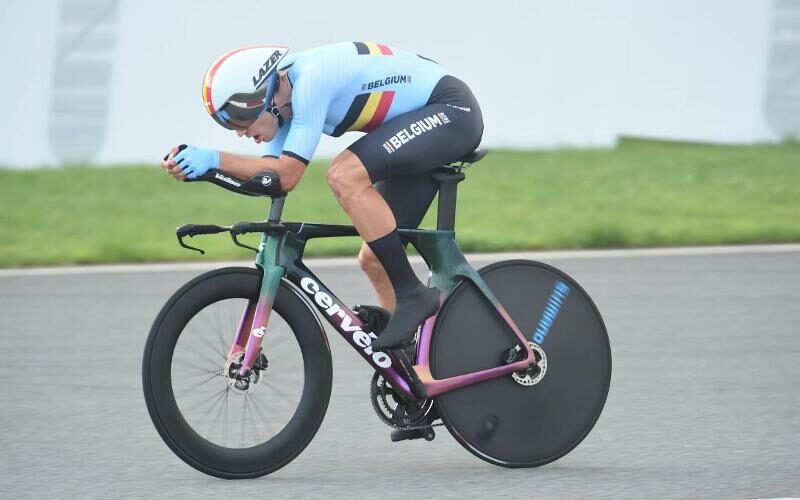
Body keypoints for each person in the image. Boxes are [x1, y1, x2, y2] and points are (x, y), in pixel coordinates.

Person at [161, 42, 483, 351]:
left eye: (238, 120)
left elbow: (287, 174)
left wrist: (215, 159)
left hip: (450, 110)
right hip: (421, 124)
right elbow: (272, 179)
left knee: (344, 174)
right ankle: (415, 364)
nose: (240, 133)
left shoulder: (311, 80)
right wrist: (204, 172)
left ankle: (413, 295)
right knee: (374, 259)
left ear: (258, 99)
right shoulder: (284, 102)